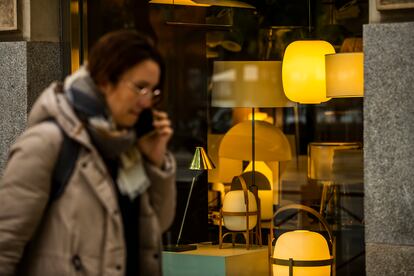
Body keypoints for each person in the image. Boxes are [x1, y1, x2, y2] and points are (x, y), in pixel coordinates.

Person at [0, 30, 176, 276]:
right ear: (105, 81)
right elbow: (5, 245)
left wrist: (155, 160)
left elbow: (157, 226)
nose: (146, 102)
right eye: (140, 88)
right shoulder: (48, 143)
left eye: (153, 92)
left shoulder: (127, 148)